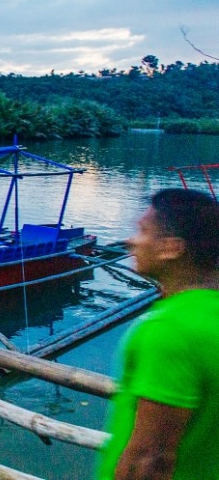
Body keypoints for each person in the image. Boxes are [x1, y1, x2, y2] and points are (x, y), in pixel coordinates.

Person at [97, 188, 219, 479]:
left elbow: (150, 459)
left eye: (143, 231)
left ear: (171, 248)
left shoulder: (170, 329)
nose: (131, 240)